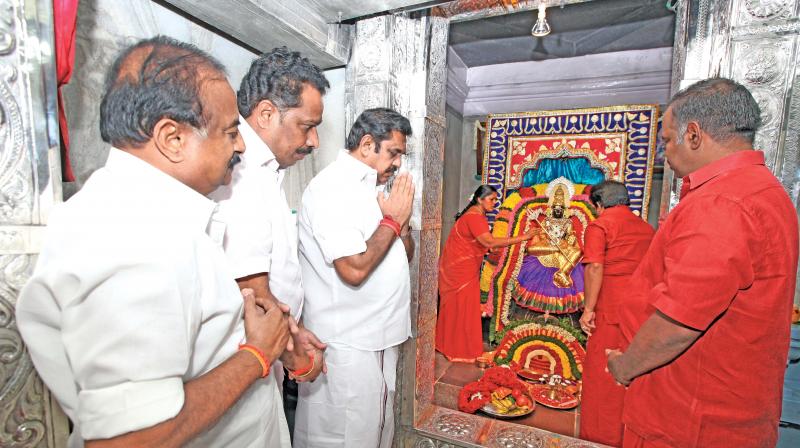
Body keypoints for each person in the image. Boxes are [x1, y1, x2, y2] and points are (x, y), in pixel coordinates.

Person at [15, 36, 294, 447]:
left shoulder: (149, 215)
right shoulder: (130, 236)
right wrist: (257, 355)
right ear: (172, 138)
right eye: (230, 131)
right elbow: (132, 438)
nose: (239, 146)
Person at [606, 78, 798, 448]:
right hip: (719, 408)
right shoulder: (761, 190)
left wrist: (626, 366)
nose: (665, 154)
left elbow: (679, 321)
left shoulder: (723, 203)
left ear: (693, 134)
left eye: (666, 140)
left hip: (688, 418)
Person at [294, 108, 415, 448]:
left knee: (370, 431)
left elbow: (399, 255)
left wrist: (400, 227)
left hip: (372, 337)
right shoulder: (334, 189)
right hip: (350, 343)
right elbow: (354, 270)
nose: (397, 164)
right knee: (344, 436)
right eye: (393, 153)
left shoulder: (367, 190)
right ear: (366, 144)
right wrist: (391, 222)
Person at [210, 47, 329, 387]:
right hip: (245, 358)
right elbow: (252, 291)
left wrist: (294, 331)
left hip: (268, 348)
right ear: (265, 113)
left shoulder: (264, 169)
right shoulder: (241, 172)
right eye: (306, 126)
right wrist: (299, 361)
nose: (314, 141)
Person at [578, 180, 654, 447]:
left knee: (602, 379)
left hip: (610, 310)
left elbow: (595, 267)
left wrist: (588, 310)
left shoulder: (601, 225)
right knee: (632, 374)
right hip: (641, 314)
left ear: (599, 205)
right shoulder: (646, 228)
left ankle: (599, 438)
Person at [436, 184, 535, 362]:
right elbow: (489, 242)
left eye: (496, 200)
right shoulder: (475, 218)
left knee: (457, 307)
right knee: (462, 307)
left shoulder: (473, 215)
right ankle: (458, 351)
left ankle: (448, 346)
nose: (494, 203)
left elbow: (477, 243)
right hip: (461, 271)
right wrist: (524, 237)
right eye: (491, 199)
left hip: (458, 268)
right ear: (479, 199)